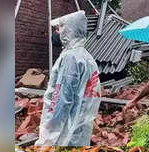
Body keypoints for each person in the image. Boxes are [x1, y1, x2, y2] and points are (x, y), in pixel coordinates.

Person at [35, 10, 101, 146]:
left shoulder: (70, 58)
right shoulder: (86, 57)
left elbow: (61, 100)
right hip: (80, 130)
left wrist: (48, 138)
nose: (57, 32)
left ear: (69, 30)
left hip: (66, 134)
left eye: (60, 28)